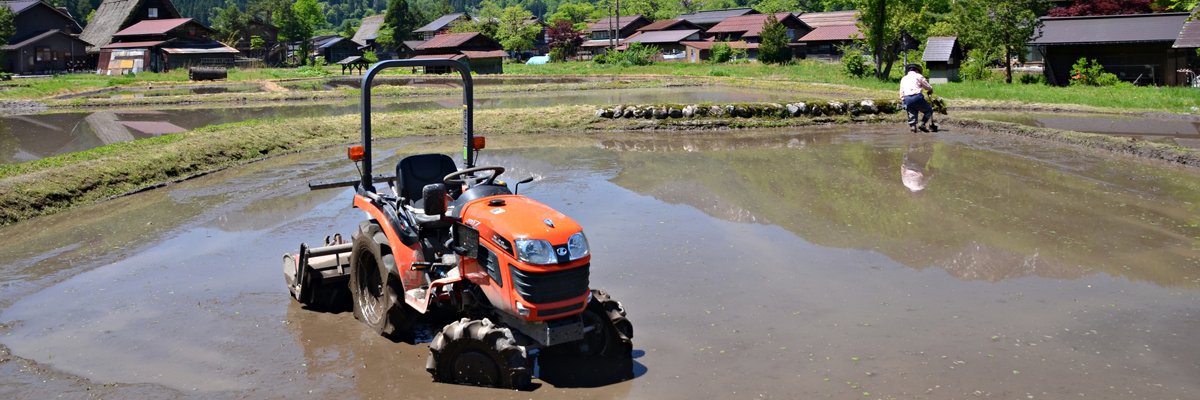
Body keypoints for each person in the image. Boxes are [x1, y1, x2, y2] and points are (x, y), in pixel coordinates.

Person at [899, 64, 934, 133]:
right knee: (929, 111)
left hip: (907, 98)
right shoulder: (918, 76)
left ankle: (913, 128)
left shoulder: (904, 78)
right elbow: (927, 86)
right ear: (917, 70)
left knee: (912, 115)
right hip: (917, 97)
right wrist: (930, 90)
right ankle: (922, 124)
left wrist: (904, 100)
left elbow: (901, 91)